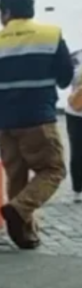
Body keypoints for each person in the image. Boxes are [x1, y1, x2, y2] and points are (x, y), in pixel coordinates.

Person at [0, 0, 73, 249]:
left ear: (8, 12)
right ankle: (19, 209)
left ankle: (24, 236)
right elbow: (66, 76)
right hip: (38, 118)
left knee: (16, 175)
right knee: (53, 170)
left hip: (3, 122)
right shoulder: (51, 35)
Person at [67, 51, 82, 204]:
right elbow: (64, 80)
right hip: (76, 113)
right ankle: (78, 189)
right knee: (77, 152)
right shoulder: (75, 57)